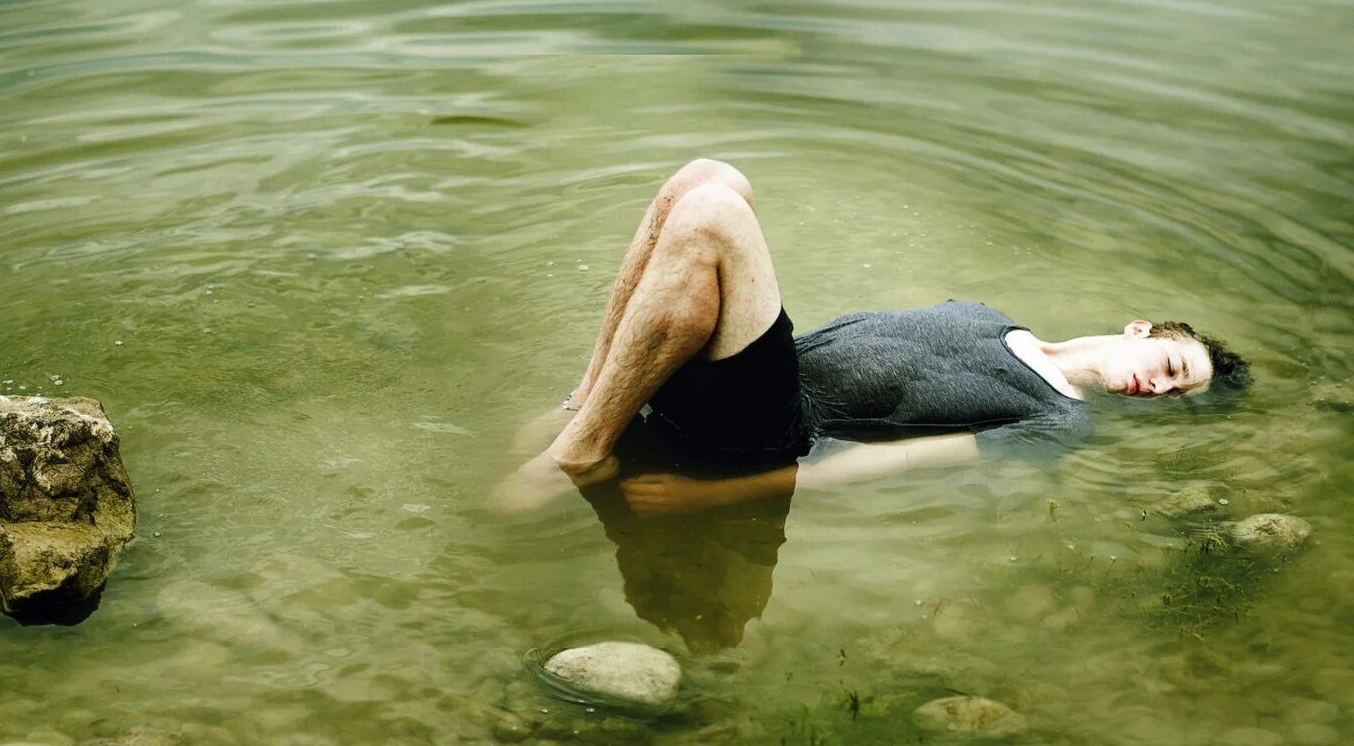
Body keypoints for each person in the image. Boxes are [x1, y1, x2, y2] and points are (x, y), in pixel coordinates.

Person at [496, 159, 1249, 514]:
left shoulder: (1058, 423)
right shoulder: (985, 313)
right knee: (702, 180)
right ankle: (589, 401)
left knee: (715, 217)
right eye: (1174, 364)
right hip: (756, 375)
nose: (1162, 386)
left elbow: (887, 466)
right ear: (1144, 330)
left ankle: (581, 449)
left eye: (1176, 394)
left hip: (774, 425)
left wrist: (709, 497)